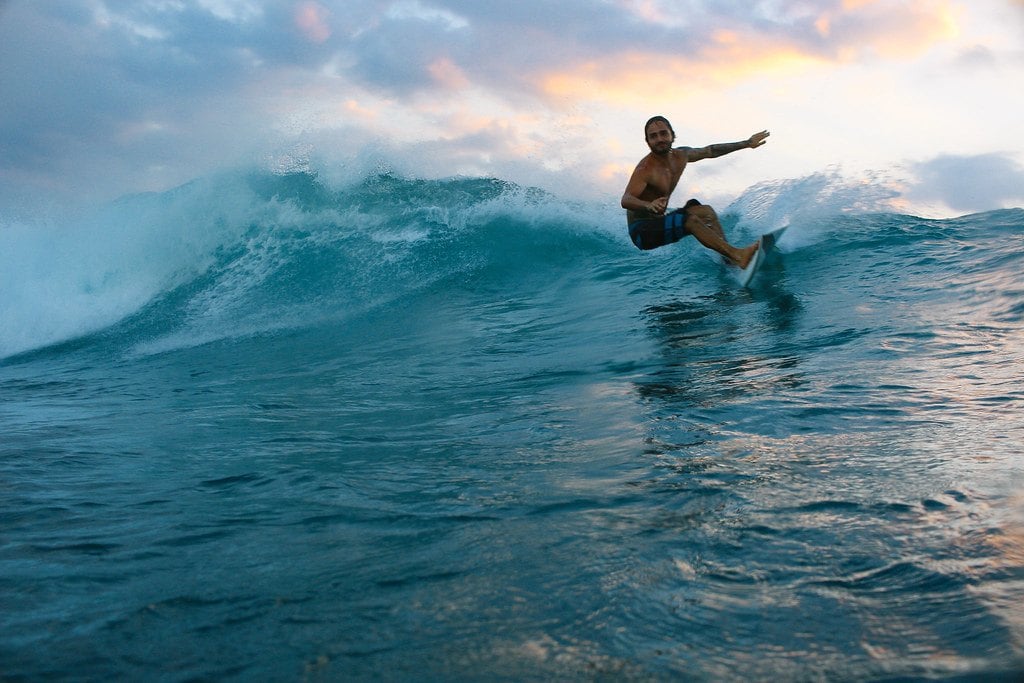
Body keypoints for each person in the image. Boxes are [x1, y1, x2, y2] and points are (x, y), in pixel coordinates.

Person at [621, 116, 769, 268]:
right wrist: (648, 205)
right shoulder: (645, 169)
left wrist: (747, 143)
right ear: (647, 142)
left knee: (706, 212)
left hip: (659, 222)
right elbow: (626, 199)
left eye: (663, 133)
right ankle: (738, 256)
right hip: (641, 231)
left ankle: (728, 261)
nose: (659, 139)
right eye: (653, 136)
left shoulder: (681, 156)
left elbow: (710, 151)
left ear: (672, 135)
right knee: (690, 220)